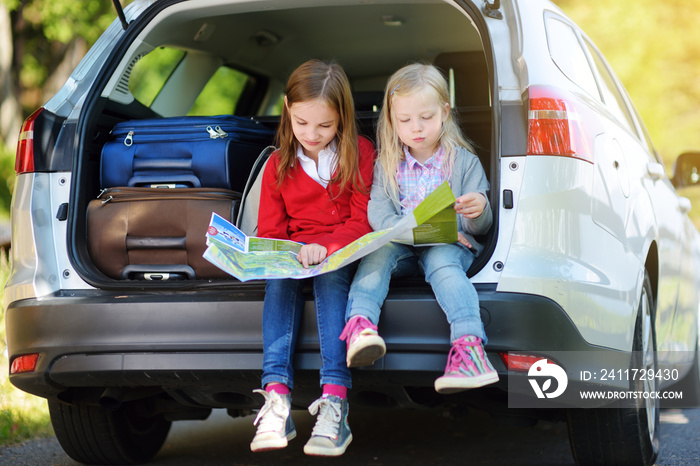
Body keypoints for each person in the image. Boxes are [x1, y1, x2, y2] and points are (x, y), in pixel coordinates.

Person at [339, 63, 497, 394]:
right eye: (405, 120)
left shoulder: (463, 162)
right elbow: (379, 216)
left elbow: (479, 227)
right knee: (377, 257)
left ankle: (470, 350)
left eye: (426, 118)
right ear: (392, 121)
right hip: (401, 245)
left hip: (448, 245)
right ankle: (361, 327)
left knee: (443, 266)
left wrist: (478, 210)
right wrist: (408, 230)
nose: (417, 128)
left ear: (444, 112)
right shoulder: (387, 164)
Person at [250, 59, 375, 457]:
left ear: (342, 117)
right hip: (295, 255)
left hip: (340, 253)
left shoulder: (360, 153)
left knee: (331, 277)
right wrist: (291, 254)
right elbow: (270, 230)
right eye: (302, 123)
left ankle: (335, 399)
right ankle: (276, 399)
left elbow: (363, 220)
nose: (311, 135)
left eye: (325, 126)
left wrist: (330, 248)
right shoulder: (278, 164)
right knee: (279, 280)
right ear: (288, 109)